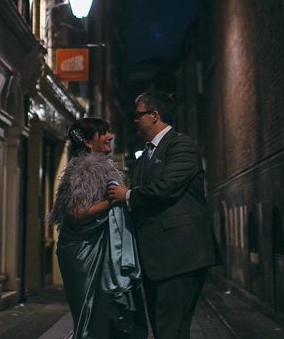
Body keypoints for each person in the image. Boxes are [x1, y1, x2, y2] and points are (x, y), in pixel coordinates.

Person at [107, 91, 221, 339]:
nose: (134, 120)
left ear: (155, 115)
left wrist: (127, 195)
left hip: (179, 255)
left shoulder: (181, 144)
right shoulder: (146, 153)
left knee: (171, 329)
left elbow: (167, 187)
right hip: (157, 259)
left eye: (138, 114)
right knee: (163, 329)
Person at [49, 117, 148, 339]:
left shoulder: (104, 168)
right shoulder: (83, 170)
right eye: (103, 133)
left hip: (96, 251)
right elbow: (77, 214)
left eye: (109, 131)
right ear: (87, 142)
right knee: (91, 313)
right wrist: (113, 201)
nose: (110, 136)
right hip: (83, 254)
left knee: (101, 316)